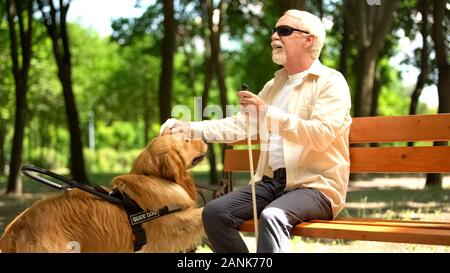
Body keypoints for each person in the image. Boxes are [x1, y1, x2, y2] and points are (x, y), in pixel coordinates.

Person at [160, 9, 352, 253]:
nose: (274, 36)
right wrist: (188, 128)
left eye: (284, 31)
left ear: (309, 40)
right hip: (272, 184)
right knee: (214, 213)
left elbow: (322, 135)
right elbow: (240, 125)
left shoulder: (330, 82)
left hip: (316, 186)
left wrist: (267, 113)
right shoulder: (274, 85)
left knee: (273, 216)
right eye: (274, 30)